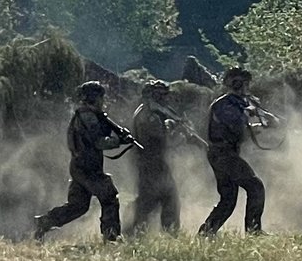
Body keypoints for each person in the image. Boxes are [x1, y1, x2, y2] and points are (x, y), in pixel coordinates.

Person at [33, 81, 135, 242]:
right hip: (88, 167)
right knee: (109, 197)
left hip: (81, 166)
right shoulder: (88, 117)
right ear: (94, 98)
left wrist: (119, 135)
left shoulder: (88, 115)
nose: (103, 101)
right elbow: (99, 142)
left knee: (78, 206)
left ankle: (44, 222)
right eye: (101, 97)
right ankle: (111, 237)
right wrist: (119, 141)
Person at [198, 67, 270, 236]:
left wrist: (265, 122)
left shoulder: (238, 103)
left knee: (229, 199)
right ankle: (253, 232)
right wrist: (258, 122)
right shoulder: (225, 104)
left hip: (225, 154)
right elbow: (237, 127)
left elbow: (242, 128)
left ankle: (206, 232)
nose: (246, 86)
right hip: (223, 154)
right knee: (255, 186)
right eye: (242, 82)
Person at [128, 79, 200, 235]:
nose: (166, 98)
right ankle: (166, 234)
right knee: (164, 199)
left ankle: (134, 232)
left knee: (154, 201)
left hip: (154, 162)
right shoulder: (149, 114)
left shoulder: (154, 112)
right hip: (152, 162)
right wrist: (178, 135)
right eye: (162, 94)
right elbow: (161, 140)